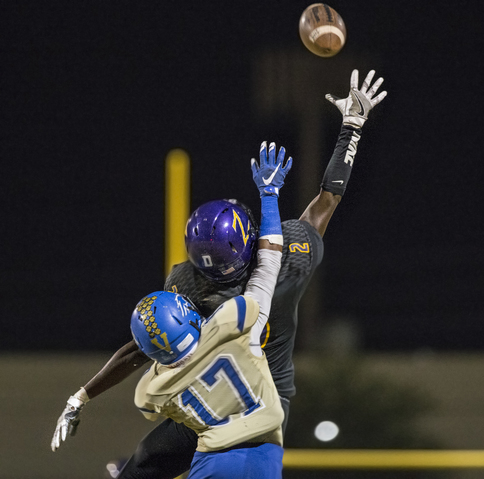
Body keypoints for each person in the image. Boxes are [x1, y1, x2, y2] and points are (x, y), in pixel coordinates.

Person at [51, 69, 387, 478]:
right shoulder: (282, 264)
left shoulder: (187, 282)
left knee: (144, 462)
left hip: (215, 398)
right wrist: (351, 127)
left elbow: (142, 348)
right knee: (161, 460)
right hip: (265, 398)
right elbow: (325, 203)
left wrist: (81, 396)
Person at [128, 144, 290, 479]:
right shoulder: (236, 321)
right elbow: (270, 259)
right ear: (190, 319)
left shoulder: (154, 388)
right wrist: (270, 194)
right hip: (264, 453)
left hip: (212, 455)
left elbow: (150, 399)